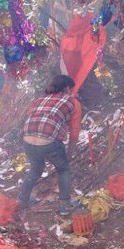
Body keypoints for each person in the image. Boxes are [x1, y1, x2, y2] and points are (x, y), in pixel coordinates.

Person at [18, 74, 81, 217]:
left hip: (27, 140)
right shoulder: (73, 102)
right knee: (63, 169)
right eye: (71, 89)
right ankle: (65, 206)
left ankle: (22, 199)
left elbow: (30, 118)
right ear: (67, 88)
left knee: (35, 169)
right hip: (49, 143)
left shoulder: (39, 100)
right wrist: (70, 154)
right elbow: (74, 132)